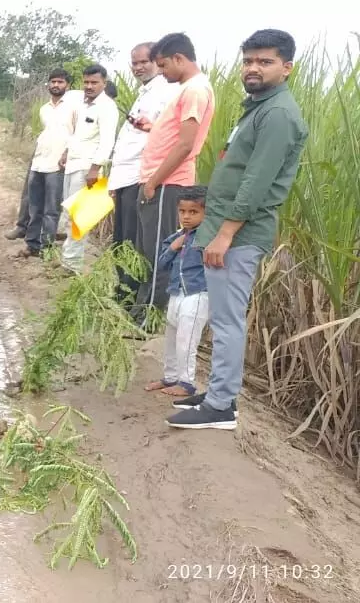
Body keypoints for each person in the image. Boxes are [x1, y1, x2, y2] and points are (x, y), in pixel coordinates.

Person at [168, 29, 307, 430]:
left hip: (240, 234)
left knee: (228, 321)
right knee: (222, 318)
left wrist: (226, 234)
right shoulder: (259, 108)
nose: (253, 68)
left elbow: (257, 182)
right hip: (226, 228)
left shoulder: (278, 114)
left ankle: (222, 406)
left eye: (265, 61)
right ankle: (215, 394)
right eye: (248, 60)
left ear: (286, 68)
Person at [130, 33, 215, 328]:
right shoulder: (187, 89)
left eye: (164, 65)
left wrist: (154, 181)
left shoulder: (195, 90)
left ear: (179, 59)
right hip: (160, 181)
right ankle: (140, 311)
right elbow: (175, 136)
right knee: (147, 250)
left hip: (168, 184)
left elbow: (185, 144)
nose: (162, 72)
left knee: (159, 253)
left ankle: (148, 319)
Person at [106, 42, 178, 305]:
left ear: (158, 61)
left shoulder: (166, 92)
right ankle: (124, 291)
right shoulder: (144, 93)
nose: (138, 67)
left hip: (142, 177)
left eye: (143, 62)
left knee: (138, 243)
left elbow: (167, 134)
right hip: (126, 177)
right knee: (123, 239)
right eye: (134, 63)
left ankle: (135, 297)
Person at [144, 186, 209, 398]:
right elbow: (161, 263)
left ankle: (187, 383)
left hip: (197, 294)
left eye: (193, 212)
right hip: (176, 293)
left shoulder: (208, 238)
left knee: (186, 341)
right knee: (171, 337)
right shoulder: (176, 236)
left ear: (206, 213)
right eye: (182, 212)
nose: (186, 217)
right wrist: (174, 247)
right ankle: (170, 377)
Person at [56, 64, 119, 271]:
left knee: (80, 217)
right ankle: (67, 258)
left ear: (104, 83)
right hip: (73, 165)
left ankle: (72, 264)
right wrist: (66, 153)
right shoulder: (84, 105)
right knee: (68, 213)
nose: (89, 86)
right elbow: (78, 135)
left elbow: (107, 142)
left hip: (88, 169)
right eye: (86, 82)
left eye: (94, 82)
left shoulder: (107, 107)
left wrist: (95, 169)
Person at [12, 69, 76, 256]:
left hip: (57, 165)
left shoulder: (73, 108)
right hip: (39, 162)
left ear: (68, 85)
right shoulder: (44, 109)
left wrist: (67, 153)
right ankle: (32, 245)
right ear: (48, 84)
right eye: (53, 82)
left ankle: (46, 248)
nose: (56, 85)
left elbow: (76, 135)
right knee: (34, 207)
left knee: (51, 209)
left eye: (60, 82)